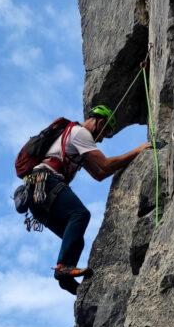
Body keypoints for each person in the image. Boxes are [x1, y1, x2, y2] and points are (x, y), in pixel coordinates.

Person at [28, 105, 153, 294]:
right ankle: (64, 268)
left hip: (35, 196)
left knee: (75, 238)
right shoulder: (81, 134)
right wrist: (138, 150)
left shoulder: (74, 139)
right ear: (100, 123)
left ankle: (66, 280)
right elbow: (104, 164)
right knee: (80, 215)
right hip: (45, 182)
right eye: (104, 133)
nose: (101, 139)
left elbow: (100, 173)